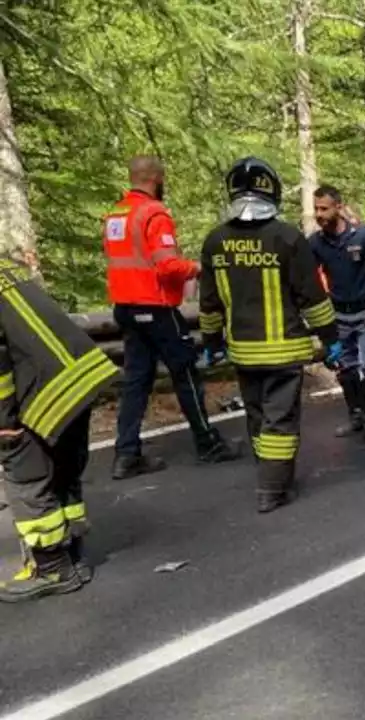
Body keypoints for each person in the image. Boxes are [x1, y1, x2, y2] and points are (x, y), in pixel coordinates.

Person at [198, 158, 342, 513]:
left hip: (243, 353)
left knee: (257, 414)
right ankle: (272, 488)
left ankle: (270, 474)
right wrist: (331, 338)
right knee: (281, 418)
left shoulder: (215, 241)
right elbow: (312, 297)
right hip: (284, 352)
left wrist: (213, 344)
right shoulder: (288, 237)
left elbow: (209, 303)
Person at [103, 156, 240, 479]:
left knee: (136, 380)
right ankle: (207, 443)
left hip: (125, 308)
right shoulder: (154, 213)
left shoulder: (116, 214)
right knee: (186, 372)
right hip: (156, 307)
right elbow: (166, 265)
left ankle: (126, 454)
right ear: (155, 179)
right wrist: (198, 267)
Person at [0, 255, 119, 602]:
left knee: (26, 476)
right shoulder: (7, 271)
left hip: (45, 388)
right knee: (63, 467)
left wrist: (5, 425)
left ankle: (53, 568)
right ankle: (74, 554)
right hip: (81, 377)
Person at [310, 185, 365, 443]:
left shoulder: (363, 236)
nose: (319, 214)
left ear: (338, 207)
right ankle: (355, 415)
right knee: (345, 368)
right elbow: (307, 278)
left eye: (324, 208)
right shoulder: (315, 243)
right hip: (338, 316)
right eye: (316, 209)